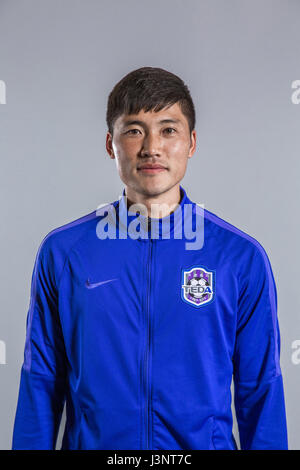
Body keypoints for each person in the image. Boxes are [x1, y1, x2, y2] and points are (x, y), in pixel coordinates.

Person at [12, 67, 288, 450]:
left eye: (168, 129)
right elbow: (40, 380)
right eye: (135, 130)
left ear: (191, 142)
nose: (151, 147)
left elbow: (261, 390)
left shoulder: (239, 258)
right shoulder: (64, 253)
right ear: (111, 144)